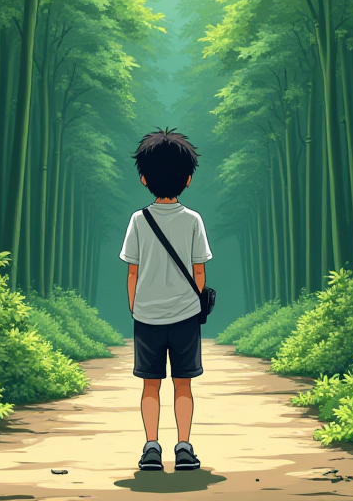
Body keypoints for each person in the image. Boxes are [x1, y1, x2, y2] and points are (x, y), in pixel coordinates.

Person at [119, 129, 212, 473]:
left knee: (150, 385)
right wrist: (196, 301)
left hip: (147, 317)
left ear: (144, 179)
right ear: (188, 179)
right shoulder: (193, 220)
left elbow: (133, 272)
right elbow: (199, 272)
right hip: (185, 315)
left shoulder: (137, 221)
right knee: (183, 384)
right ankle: (184, 447)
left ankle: (151, 448)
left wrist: (136, 306)